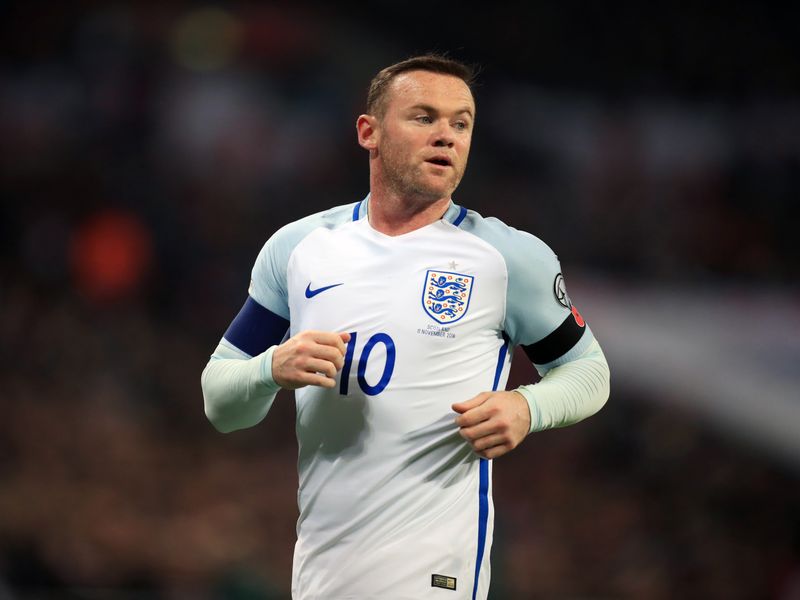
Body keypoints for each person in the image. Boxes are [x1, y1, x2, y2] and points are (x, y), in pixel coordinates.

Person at [201, 54, 610, 600]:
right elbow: (221, 403)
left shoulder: (507, 257)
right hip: (322, 571)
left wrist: (527, 407)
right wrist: (271, 369)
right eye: (424, 117)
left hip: (435, 570)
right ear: (369, 132)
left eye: (461, 123)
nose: (446, 135)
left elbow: (589, 372)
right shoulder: (299, 248)